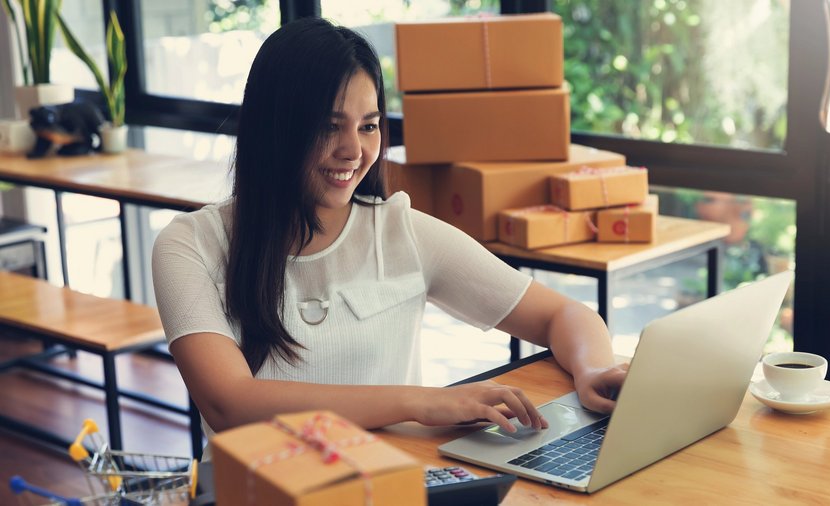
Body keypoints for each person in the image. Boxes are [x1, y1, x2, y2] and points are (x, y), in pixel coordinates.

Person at [152, 17, 627, 459]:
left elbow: (564, 315)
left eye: (369, 126)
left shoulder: (400, 232)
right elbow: (230, 403)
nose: (353, 151)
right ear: (274, 128)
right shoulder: (190, 246)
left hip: (385, 485)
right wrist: (420, 402)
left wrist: (593, 372)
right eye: (328, 125)